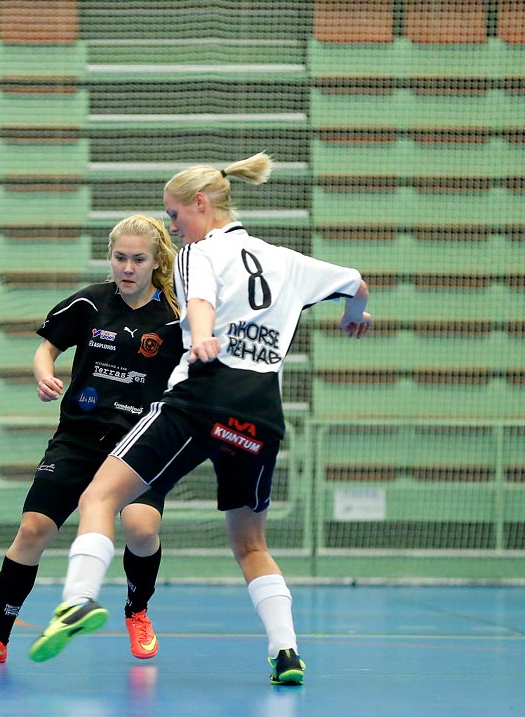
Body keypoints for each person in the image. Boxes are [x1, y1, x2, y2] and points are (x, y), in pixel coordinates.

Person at [26, 152, 371, 686]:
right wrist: (354, 317)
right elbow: (355, 283)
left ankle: (77, 601)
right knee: (251, 545)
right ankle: (286, 653)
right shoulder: (287, 260)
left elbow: (202, 299)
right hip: (260, 414)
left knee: (100, 496)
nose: (173, 227)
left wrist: (204, 333)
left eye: (174, 215)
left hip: (202, 396)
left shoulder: (198, 251)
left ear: (201, 205)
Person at [0, 215, 186, 665]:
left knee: (142, 529)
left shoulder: (176, 318)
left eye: (138, 259)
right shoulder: (89, 304)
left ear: (156, 261)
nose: (127, 267)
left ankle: (137, 610)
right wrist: (45, 375)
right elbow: (46, 348)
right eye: (119, 257)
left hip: (141, 444)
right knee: (33, 530)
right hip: (79, 438)